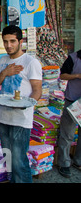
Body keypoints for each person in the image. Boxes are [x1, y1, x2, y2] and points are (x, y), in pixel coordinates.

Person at [0, 25, 42, 183]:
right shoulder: (3, 60)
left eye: (12, 41)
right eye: (5, 41)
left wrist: (24, 105)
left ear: (20, 41)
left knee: (19, 162)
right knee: (9, 160)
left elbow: (37, 91)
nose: (8, 45)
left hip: (21, 118)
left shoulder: (31, 62)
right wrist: (5, 72)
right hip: (3, 117)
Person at [57, 49, 81, 178]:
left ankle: (78, 160)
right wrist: (77, 76)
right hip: (73, 101)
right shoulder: (73, 58)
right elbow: (62, 75)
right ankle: (64, 163)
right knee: (67, 133)